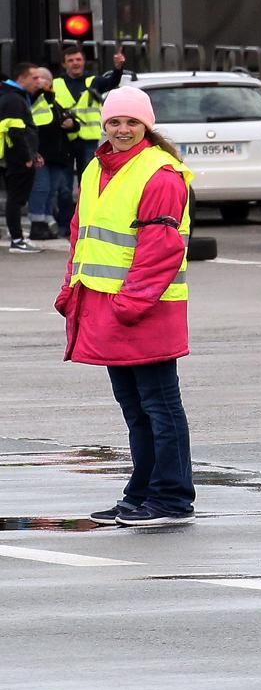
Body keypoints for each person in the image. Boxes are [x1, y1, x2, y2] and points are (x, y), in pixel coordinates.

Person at [56, 86, 196, 527]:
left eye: (131, 123)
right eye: (115, 122)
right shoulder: (98, 167)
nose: (122, 130)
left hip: (143, 309)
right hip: (110, 308)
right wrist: (70, 290)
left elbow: (160, 250)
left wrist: (129, 304)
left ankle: (171, 498)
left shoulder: (160, 174)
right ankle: (141, 493)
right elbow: (81, 234)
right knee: (136, 407)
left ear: (146, 126)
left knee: (159, 404)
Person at [27, 66, 76, 243]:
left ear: (49, 82)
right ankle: (37, 223)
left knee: (52, 191)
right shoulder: (32, 99)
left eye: (41, 79)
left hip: (57, 156)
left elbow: (69, 121)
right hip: (40, 155)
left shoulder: (54, 102)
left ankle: (47, 221)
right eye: (35, 79)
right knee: (41, 189)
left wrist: (72, 124)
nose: (37, 82)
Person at [1, 62, 46, 254]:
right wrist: (27, 156)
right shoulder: (14, 99)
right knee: (15, 199)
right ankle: (17, 241)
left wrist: (33, 152)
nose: (39, 82)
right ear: (21, 78)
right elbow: (16, 131)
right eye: (34, 78)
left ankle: (18, 239)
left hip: (15, 155)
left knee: (15, 199)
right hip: (16, 158)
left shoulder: (14, 96)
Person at [50, 43, 128, 152]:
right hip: (64, 137)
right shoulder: (55, 84)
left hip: (88, 140)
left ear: (83, 62)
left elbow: (112, 82)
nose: (75, 63)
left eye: (78, 59)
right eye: (70, 60)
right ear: (64, 64)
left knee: (88, 168)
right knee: (65, 169)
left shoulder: (93, 81)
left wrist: (118, 68)